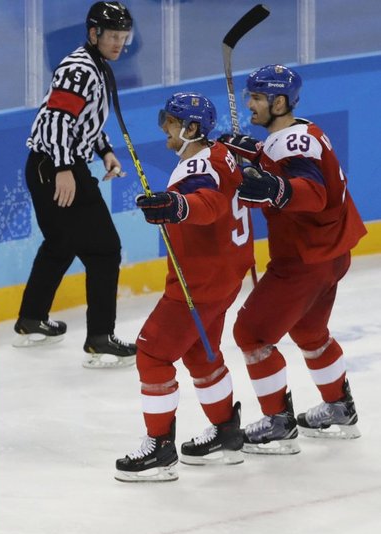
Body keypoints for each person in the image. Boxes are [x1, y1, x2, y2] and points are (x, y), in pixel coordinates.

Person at [218, 65, 365, 454]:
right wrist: (253, 155)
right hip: (331, 253)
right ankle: (339, 408)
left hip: (304, 260)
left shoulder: (291, 144)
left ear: (278, 102)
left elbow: (311, 192)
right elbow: (284, 167)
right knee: (309, 333)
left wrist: (273, 184)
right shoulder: (301, 131)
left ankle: (278, 424)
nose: (249, 103)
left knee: (250, 334)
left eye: (256, 97)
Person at [115, 93, 254, 482]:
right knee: (201, 352)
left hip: (199, 281)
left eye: (171, 121)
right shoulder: (222, 152)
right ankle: (226, 432)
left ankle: (160, 449)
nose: (165, 127)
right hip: (226, 273)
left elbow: (208, 203)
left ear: (191, 129)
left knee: (153, 353)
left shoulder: (197, 165)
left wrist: (178, 207)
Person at [14, 1, 136, 368]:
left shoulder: (94, 65)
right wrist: (64, 168)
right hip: (55, 165)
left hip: (50, 163)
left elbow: (83, 121)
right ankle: (100, 338)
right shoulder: (79, 69)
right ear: (93, 33)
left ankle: (31, 318)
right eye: (112, 35)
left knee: (61, 242)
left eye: (123, 36)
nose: (118, 43)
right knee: (104, 250)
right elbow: (55, 121)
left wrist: (105, 150)